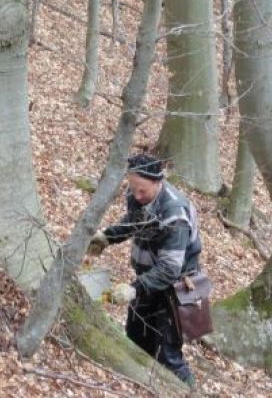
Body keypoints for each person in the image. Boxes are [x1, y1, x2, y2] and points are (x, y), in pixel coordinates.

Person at [88, 153, 201, 388]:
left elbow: (170, 269)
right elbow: (134, 221)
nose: (137, 196)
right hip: (148, 281)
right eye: (133, 188)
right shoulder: (138, 195)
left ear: (158, 183)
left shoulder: (175, 215)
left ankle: (190, 391)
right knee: (135, 340)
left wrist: (133, 289)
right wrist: (107, 237)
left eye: (143, 191)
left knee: (169, 357)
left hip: (178, 289)